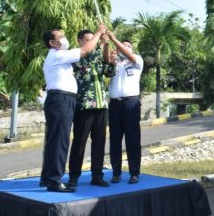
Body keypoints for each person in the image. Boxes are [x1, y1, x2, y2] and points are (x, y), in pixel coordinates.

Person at [40, 23, 107, 193]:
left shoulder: (59, 55)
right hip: (60, 99)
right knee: (60, 141)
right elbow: (85, 51)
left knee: (55, 140)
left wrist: (101, 43)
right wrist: (98, 32)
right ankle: (54, 180)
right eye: (60, 37)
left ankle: (48, 177)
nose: (64, 38)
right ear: (52, 43)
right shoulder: (57, 55)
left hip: (63, 99)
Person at [65, 30, 116, 188]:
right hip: (84, 105)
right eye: (89, 40)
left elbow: (109, 70)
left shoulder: (97, 56)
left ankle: (97, 176)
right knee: (80, 142)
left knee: (99, 142)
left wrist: (106, 44)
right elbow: (90, 55)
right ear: (80, 41)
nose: (92, 42)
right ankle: (73, 176)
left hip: (101, 105)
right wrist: (101, 38)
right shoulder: (76, 55)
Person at [107, 30, 144, 184]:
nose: (125, 48)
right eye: (123, 46)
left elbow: (128, 55)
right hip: (115, 104)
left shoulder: (137, 61)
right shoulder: (114, 64)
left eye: (128, 46)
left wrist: (114, 39)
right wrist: (107, 47)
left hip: (131, 103)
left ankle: (134, 172)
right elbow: (106, 65)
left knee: (132, 139)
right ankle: (116, 172)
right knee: (115, 139)